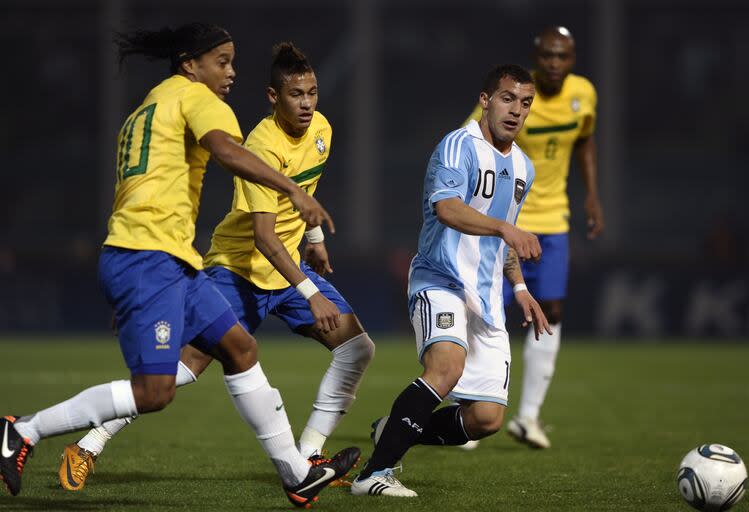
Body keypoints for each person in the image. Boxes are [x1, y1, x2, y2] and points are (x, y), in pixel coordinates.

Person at [0, 24, 359, 507]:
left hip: (164, 260)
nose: (231, 72)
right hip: (151, 261)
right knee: (156, 391)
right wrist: (291, 189)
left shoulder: (147, 108)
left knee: (240, 348)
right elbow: (229, 151)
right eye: (222, 61)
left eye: (232, 62)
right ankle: (22, 431)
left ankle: (297, 474)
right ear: (191, 64)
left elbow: (135, 189)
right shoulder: (198, 99)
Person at [350, 64, 551, 498]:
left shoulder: (523, 167)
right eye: (507, 99)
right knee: (445, 369)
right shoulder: (458, 146)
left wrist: (519, 288)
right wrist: (504, 230)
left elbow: (505, 241)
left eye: (525, 102)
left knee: (486, 419)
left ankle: (394, 430)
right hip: (439, 280)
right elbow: (447, 208)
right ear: (485, 100)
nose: (516, 110)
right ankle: (374, 475)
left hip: (487, 298)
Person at [463, 26, 603, 449]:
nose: (555, 64)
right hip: (507, 219)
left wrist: (593, 195)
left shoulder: (584, 94)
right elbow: (470, 140)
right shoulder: (513, 96)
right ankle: (468, 415)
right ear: (536, 57)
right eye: (548, 56)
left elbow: (585, 142)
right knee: (485, 310)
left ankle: (527, 417)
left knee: (553, 310)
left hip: (554, 220)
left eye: (563, 56)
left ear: (573, 58)